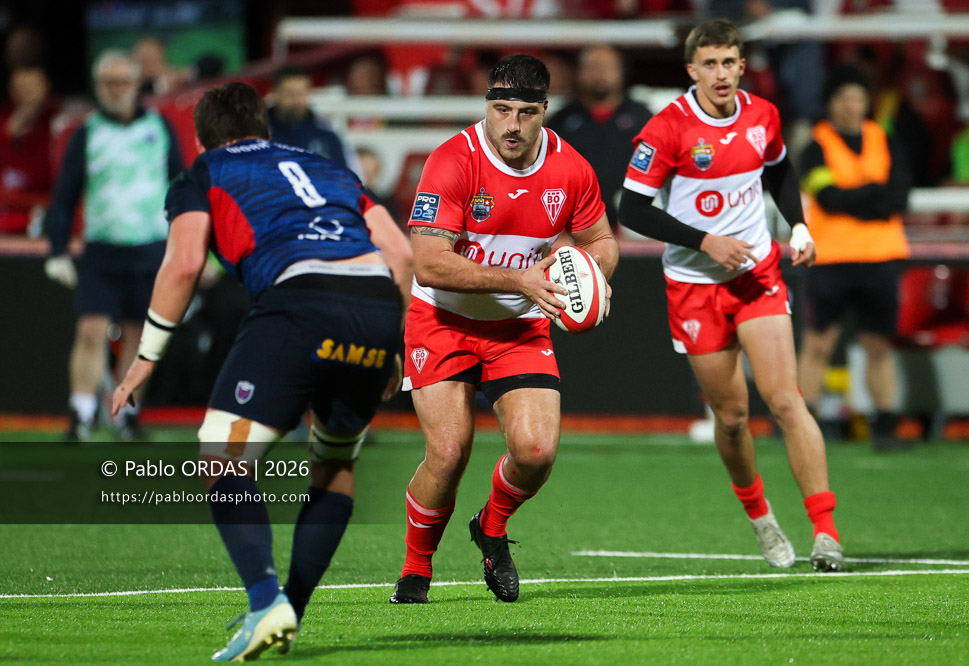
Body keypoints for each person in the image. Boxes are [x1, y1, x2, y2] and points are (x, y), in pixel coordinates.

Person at [111, 81, 412, 661]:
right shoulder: (326, 166)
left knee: (221, 454)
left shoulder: (204, 172)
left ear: (202, 139)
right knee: (335, 459)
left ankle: (263, 598)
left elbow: (183, 265)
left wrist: (145, 358)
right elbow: (400, 254)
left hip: (299, 300)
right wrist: (391, 343)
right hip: (374, 305)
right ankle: (288, 608)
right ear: (266, 130)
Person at [390, 54, 618, 604]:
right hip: (442, 319)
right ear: (486, 107)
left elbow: (602, 241)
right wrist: (520, 279)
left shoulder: (571, 169)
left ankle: (490, 527)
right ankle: (415, 572)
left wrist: (595, 279)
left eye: (525, 112)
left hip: (518, 325)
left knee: (537, 451)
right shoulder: (453, 161)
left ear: (545, 111)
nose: (511, 125)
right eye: (500, 110)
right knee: (448, 452)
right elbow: (429, 263)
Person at [617, 19, 844, 572]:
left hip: (755, 275)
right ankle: (762, 518)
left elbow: (781, 170)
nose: (721, 74)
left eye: (729, 62)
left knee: (786, 400)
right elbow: (631, 209)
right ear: (692, 70)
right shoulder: (667, 129)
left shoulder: (762, 114)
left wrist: (800, 227)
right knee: (734, 416)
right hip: (695, 286)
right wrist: (705, 241)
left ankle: (826, 533)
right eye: (710, 64)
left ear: (742, 66)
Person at [43, 49, 184, 441]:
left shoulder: (160, 128)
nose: (116, 90)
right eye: (109, 83)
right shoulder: (87, 133)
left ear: (137, 84)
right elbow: (64, 195)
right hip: (102, 247)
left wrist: (191, 244)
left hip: (150, 245)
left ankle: (125, 415)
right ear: (98, 86)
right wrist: (57, 249)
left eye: (123, 82)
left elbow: (182, 185)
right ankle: (82, 413)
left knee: (140, 336)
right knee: (90, 330)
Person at [796, 65, 911, 449]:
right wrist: (873, 195)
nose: (851, 105)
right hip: (830, 259)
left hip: (880, 258)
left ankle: (886, 424)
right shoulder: (815, 146)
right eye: (844, 97)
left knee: (878, 345)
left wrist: (855, 197)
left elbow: (899, 197)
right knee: (818, 344)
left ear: (867, 102)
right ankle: (800, 422)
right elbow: (827, 197)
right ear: (831, 102)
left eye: (858, 97)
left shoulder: (887, 141)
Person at [546, 45, 652, 229]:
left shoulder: (643, 119)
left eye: (607, 67)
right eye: (593, 66)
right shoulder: (559, 122)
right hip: (574, 228)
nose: (600, 73)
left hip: (633, 228)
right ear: (579, 72)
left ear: (622, 72)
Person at [0, 66, 58, 234]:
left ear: (45, 87)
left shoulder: (57, 123)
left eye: (31, 87)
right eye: (19, 88)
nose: (26, 93)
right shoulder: (4, 121)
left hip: (42, 203)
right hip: (9, 206)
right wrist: (6, 135)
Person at [268, 65, 356, 171]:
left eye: (301, 93)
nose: (296, 101)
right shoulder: (259, 128)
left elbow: (343, 174)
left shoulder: (325, 132)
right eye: (289, 94)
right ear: (275, 93)